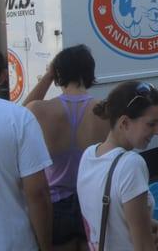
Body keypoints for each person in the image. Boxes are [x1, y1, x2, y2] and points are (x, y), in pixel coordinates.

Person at [24, 44, 110, 251]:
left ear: (58, 73)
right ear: (90, 71)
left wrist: (47, 76)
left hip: (54, 206)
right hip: (92, 202)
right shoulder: (106, 110)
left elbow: (19, 116)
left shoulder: (39, 110)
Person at [0, 44, 53, 250]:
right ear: (2, 76)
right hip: (13, 242)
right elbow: (37, 192)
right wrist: (45, 245)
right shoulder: (19, 118)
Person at [77, 81, 158, 251]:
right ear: (124, 122)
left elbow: (106, 213)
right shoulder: (131, 164)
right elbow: (143, 246)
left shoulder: (89, 155)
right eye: (151, 124)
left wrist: (146, 222)